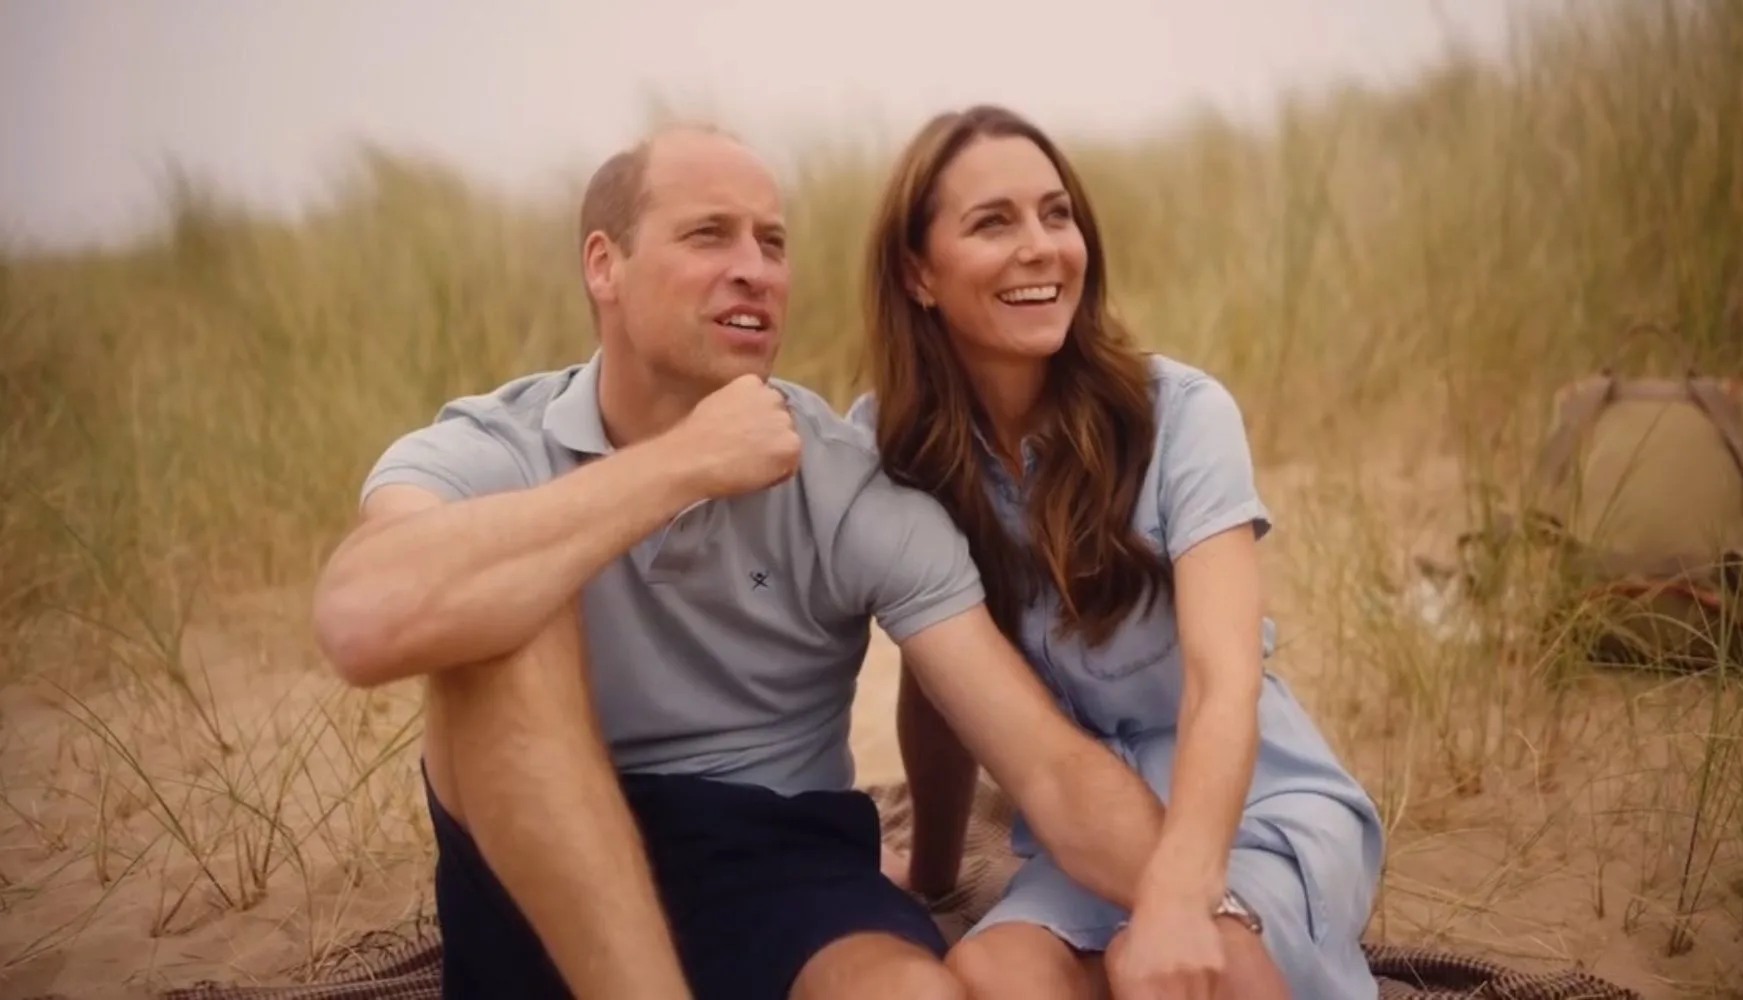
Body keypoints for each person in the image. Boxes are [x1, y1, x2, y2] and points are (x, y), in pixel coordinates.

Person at [309, 123, 1199, 1000]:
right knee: (508, 608)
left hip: (774, 860)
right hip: (534, 864)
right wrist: (680, 464)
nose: (756, 268)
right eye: (709, 234)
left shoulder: (846, 483)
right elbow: (361, 620)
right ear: (603, 264)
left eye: (772, 243)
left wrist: (1205, 907)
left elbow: (1043, 763)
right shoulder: (496, 446)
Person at [848, 104, 1388, 999]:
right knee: (988, 969)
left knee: (1160, 968)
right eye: (994, 222)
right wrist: (937, 875)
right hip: (1086, 830)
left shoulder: (1180, 414)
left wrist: (1181, 895)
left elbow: (1225, 681)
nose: (1041, 247)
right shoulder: (896, 447)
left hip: (1249, 809)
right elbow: (937, 680)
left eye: (1056, 214)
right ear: (917, 272)